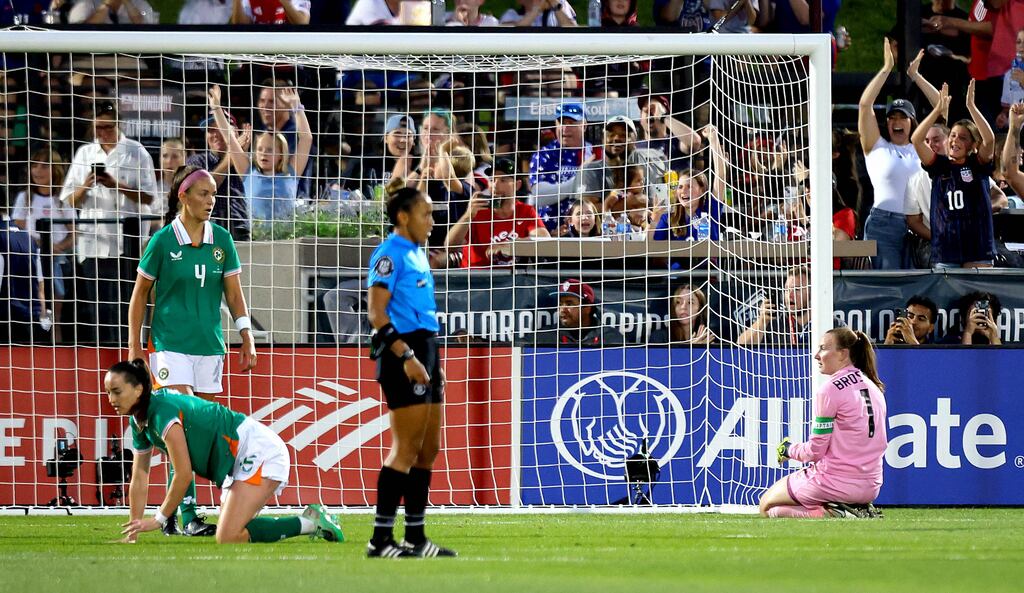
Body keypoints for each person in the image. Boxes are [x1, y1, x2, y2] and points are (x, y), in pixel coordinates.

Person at [127, 165, 257, 536]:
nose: (211, 201)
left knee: (201, 428)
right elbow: (139, 297)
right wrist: (136, 343)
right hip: (169, 347)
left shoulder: (222, 240)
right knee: (180, 422)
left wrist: (246, 335)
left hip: (209, 347)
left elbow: (234, 294)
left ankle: (184, 513)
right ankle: (186, 514)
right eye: (203, 193)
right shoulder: (163, 241)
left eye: (214, 194)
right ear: (183, 196)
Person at [107, 359, 344, 544]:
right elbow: (139, 476)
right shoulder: (139, 422)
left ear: (138, 389)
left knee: (228, 536)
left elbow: (183, 474)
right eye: (108, 392)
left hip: (257, 449)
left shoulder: (162, 413)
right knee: (232, 531)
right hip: (236, 462)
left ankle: (313, 523)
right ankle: (308, 520)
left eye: (117, 391)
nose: (111, 399)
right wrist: (133, 530)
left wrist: (158, 519)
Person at [365, 187, 456, 558]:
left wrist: (435, 362)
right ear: (403, 217)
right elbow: (376, 314)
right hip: (403, 355)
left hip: (426, 350)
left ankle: (416, 538)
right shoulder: (388, 254)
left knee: (428, 449)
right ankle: (380, 540)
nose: (432, 224)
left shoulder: (417, 254)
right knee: (405, 448)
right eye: (427, 215)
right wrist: (407, 356)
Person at [759, 328, 887, 519]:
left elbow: (814, 451)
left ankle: (834, 513)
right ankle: (843, 509)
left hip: (834, 482)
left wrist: (788, 449)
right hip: (871, 486)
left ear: (843, 353)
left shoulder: (830, 389)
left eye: (823, 348)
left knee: (766, 506)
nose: (816, 355)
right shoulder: (874, 387)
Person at [60, 100, 158, 345]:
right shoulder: (85, 153)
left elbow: (149, 196)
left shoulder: (137, 151)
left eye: (108, 127)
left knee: (127, 309)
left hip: (127, 246)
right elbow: (69, 200)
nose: (103, 132)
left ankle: (131, 356)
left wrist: (116, 185)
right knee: (98, 313)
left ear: (118, 124)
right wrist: (86, 184)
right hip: (93, 245)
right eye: (98, 127)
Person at [912, 82, 997, 268]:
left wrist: (971, 107)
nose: (955, 140)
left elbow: (989, 139)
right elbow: (916, 140)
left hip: (977, 247)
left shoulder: (978, 165)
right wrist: (936, 110)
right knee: (947, 297)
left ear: (974, 145)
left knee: (977, 296)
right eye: (953, 135)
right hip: (946, 249)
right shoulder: (939, 166)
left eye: (963, 137)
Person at [859, 39, 921, 270]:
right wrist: (886, 69)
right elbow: (865, 105)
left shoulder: (920, 147)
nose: (896, 121)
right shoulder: (877, 147)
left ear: (912, 122)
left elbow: (941, 108)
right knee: (889, 286)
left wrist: (916, 76)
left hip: (919, 223)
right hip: (883, 223)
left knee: (918, 285)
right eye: (892, 117)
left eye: (902, 117)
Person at [211, 84, 312, 224]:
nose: (263, 153)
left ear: (281, 155)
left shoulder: (291, 173)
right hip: (257, 242)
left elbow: (307, 139)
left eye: (270, 150)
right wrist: (216, 107)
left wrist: (296, 106)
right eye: (260, 149)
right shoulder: (248, 173)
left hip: (287, 242)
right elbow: (229, 138)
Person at [12, 146, 74, 343]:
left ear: (55, 169)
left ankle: (57, 340)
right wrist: (40, 244)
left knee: (56, 300)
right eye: (35, 165)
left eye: (44, 166)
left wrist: (58, 247)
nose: (38, 170)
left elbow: (74, 233)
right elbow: (18, 230)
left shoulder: (62, 199)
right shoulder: (25, 197)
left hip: (57, 257)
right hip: (31, 258)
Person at [445, 157, 550, 267]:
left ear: (517, 185)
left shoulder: (525, 211)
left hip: (512, 280)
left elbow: (544, 240)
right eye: (492, 180)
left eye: (503, 180)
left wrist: (510, 245)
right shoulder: (478, 210)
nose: (495, 185)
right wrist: (468, 215)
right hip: (477, 278)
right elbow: (449, 245)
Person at [649, 125, 727, 242]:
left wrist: (714, 140)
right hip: (678, 261)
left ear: (702, 190)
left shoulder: (710, 210)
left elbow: (720, 176)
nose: (683, 191)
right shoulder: (669, 217)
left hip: (707, 260)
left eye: (689, 186)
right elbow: (649, 247)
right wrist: (654, 221)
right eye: (680, 187)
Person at [186, 108, 251, 241]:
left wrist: (240, 156)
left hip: (244, 231)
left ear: (236, 133)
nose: (215, 134)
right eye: (210, 130)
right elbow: (202, 190)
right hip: (209, 232)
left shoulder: (251, 162)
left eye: (221, 128)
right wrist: (230, 159)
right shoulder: (197, 161)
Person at [528, 102, 594, 232]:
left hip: (587, 233)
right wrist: (576, 181)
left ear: (584, 125)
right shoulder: (544, 154)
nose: (565, 128)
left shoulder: (596, 153)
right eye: (561, 122)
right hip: (550, 233)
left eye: (571, 123)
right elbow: (539, 196)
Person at [534, 278, 625, 346]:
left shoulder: (611, 338)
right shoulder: (542, 338)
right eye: (561, 304)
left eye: (569, 304)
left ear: (587, 307)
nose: (562, 309)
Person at [737, 265, 811, 346]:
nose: (790, 295)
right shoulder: (776, 325)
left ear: (811, 292)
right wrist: (761, 321)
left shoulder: (821, 322)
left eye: (796, 289)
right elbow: (740, 347)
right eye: (787, 290)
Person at [635, 95, 701, 173]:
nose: (649, 116)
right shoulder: (635, 147)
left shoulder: (676, 142)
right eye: (645, 111)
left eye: (653, 110)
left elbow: (694, 141)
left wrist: (663, 116)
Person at [154, 138, 187, 231]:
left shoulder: (192, 189)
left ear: (184, 158)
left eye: (175, 156)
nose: (169, 161)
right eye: (165, 156)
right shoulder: (152, 190)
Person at [499, 0, 577, 27]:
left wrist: (555, 4)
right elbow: (514, 30)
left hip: (555, 62)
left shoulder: (560, 5)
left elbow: (574, 32)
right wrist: (537, 9)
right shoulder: (511, 14)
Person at [230, 0, 310, 24]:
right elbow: (240, 25)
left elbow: (302, 22)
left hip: (288, 54)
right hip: (257, 53)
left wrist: (285, 3)